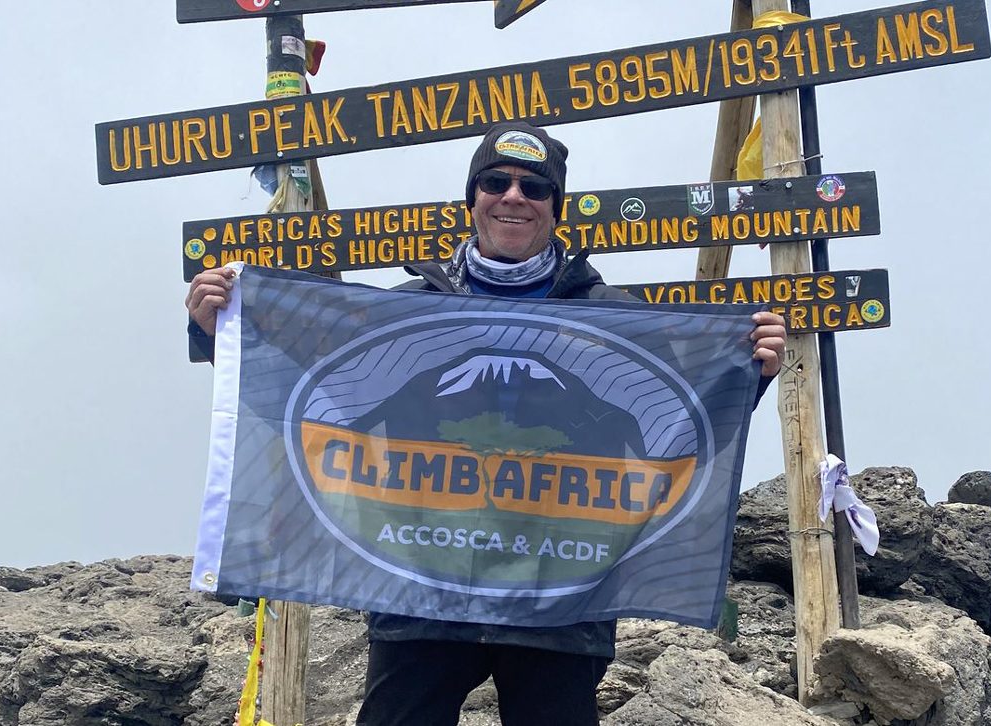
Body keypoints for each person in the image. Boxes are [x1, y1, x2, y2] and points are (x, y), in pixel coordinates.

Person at [185, 122, 788, 726]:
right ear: (472, 199)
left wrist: (748, 373)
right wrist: (225, 336)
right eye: (495, 181)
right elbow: (312, 408)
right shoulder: (407, 310)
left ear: (558, 207)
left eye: (535, 186)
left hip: (561, 606)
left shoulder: (613, 320)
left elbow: (681, 433)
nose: (513, 196)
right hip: (419, 598)